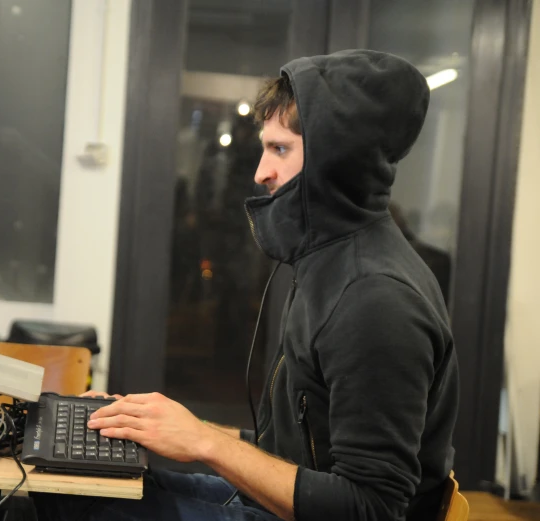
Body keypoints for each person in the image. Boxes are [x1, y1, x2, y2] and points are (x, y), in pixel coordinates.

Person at [32, 49, 459, 521]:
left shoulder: (375, 299)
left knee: (69, 511)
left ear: (336, 161)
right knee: (69, 489)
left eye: (280, 149)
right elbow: (298, 453)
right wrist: (164, 427)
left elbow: (370, 508)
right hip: (281, 505)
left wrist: (204, 442)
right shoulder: (331, 265)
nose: (261, 172)